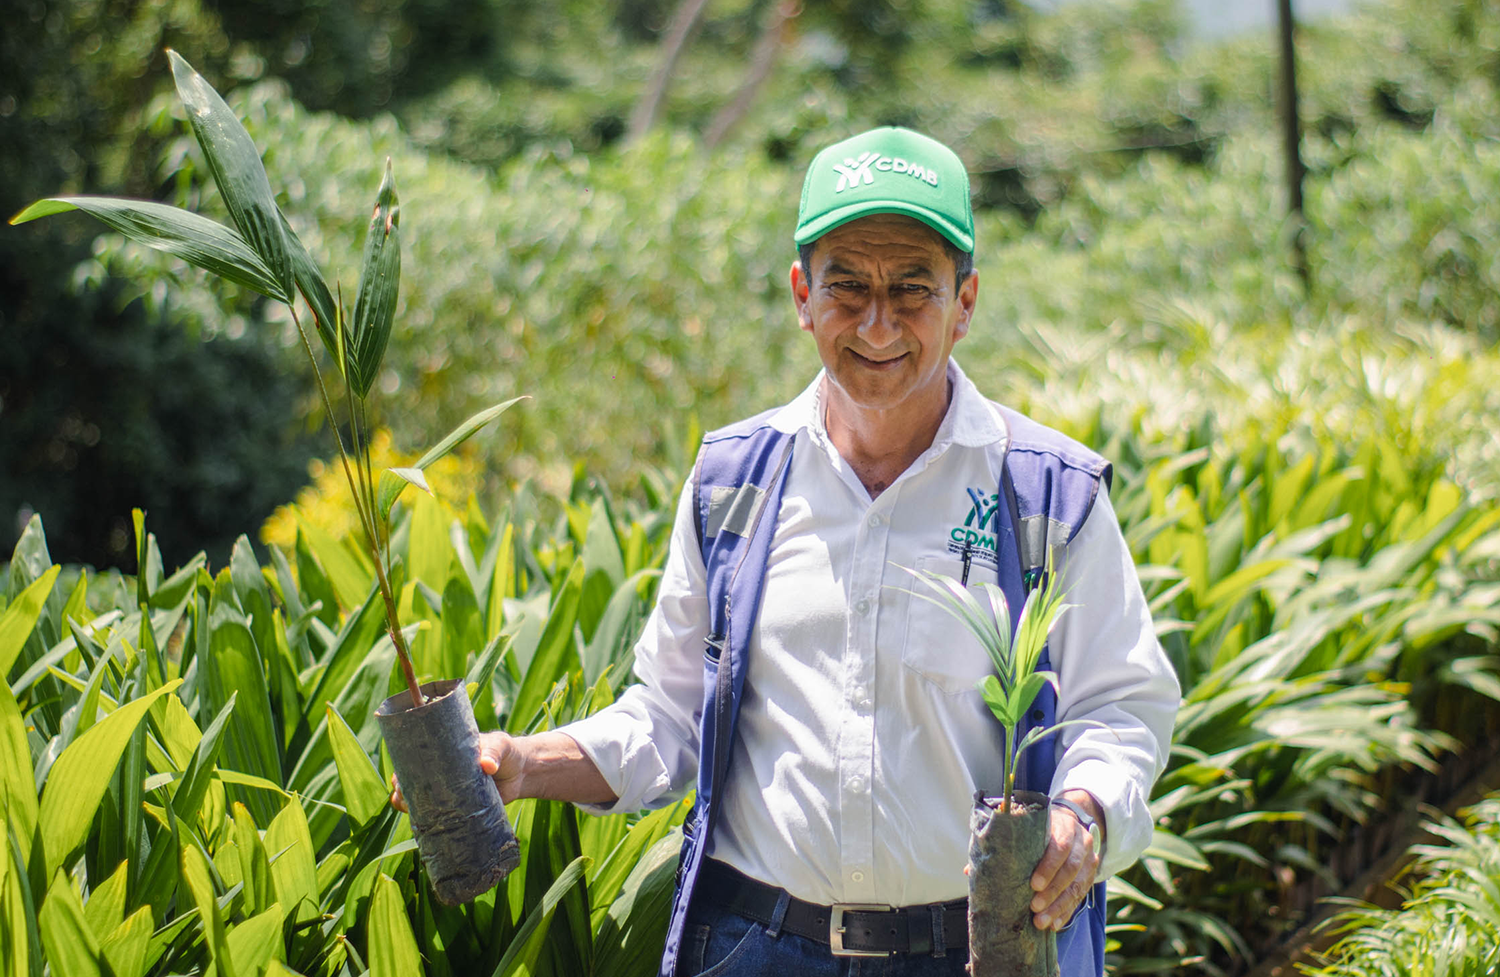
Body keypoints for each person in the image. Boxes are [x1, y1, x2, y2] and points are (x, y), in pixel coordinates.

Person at [394, 126, 1179, 976]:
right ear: (804, 295)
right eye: (848, 285)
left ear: (966, 302)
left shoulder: (1047, 493)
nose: (878, 321)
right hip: (757, 945)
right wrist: (521, 762)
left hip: (979, 951)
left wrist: (1083, 813)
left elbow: (1123, 708)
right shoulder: (735, 481)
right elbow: (668, 717)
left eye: (913, 287)